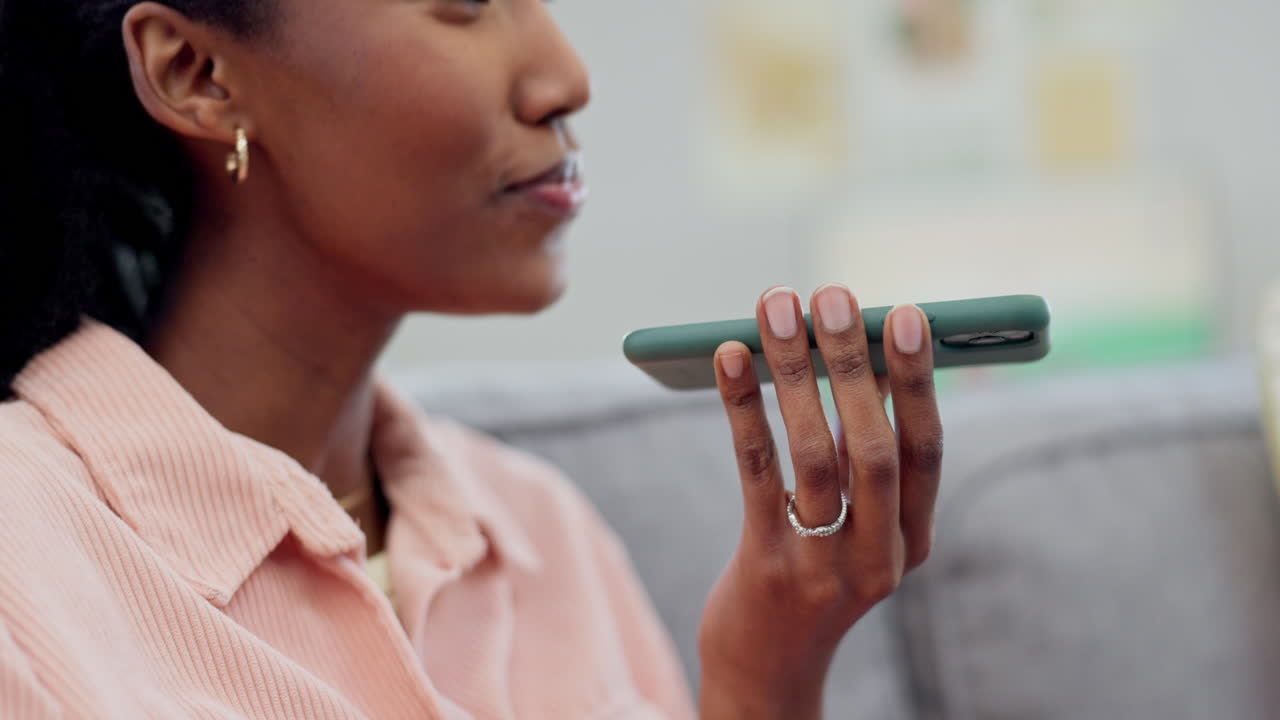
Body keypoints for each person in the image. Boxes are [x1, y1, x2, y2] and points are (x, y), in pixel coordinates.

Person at [0, 1, 945, 717]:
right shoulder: (23, 566)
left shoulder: (543, 532)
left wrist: (763, 684)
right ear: (197, 71)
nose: (566, 76)